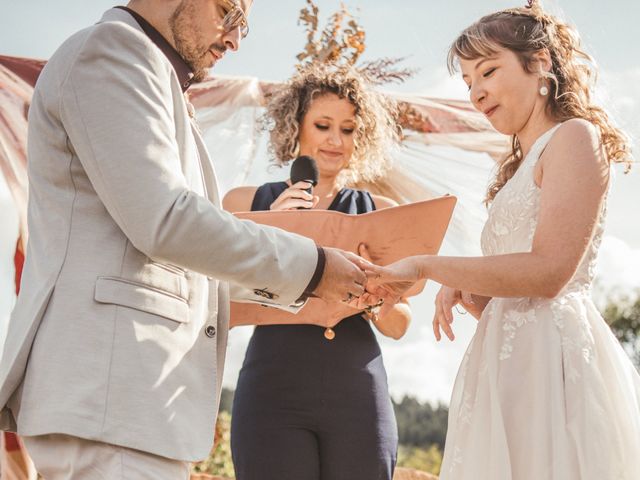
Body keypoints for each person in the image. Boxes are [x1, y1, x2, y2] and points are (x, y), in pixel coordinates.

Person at [0, 1, 376, 478]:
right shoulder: (113, 52)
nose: (236, 39)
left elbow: (184, 259)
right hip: (110, 401)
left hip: (131, 410)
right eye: (228, 11)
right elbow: (167, 221)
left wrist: (311, 285)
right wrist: (315, 267)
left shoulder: (153, 74)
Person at [363, 2, 640, 479]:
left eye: (488, 71)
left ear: (541, 64)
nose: (475, 92)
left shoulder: (575, 137)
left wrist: (432, 267)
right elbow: (517, 290)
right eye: (468, 81)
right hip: (507, 365)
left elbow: (551, 272)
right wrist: (472, 290)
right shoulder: (514, 170)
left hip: (553, 365)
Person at [223, 64, 411, 480]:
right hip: (273, 392)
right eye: (323, 125)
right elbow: (221, 308)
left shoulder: (380, 211)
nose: (335, 140)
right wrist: (268, 231)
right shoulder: (245, 203)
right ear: (296, 126)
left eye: (347, 129)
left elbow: (400, 325)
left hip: (358, 392)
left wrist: (375, 299)